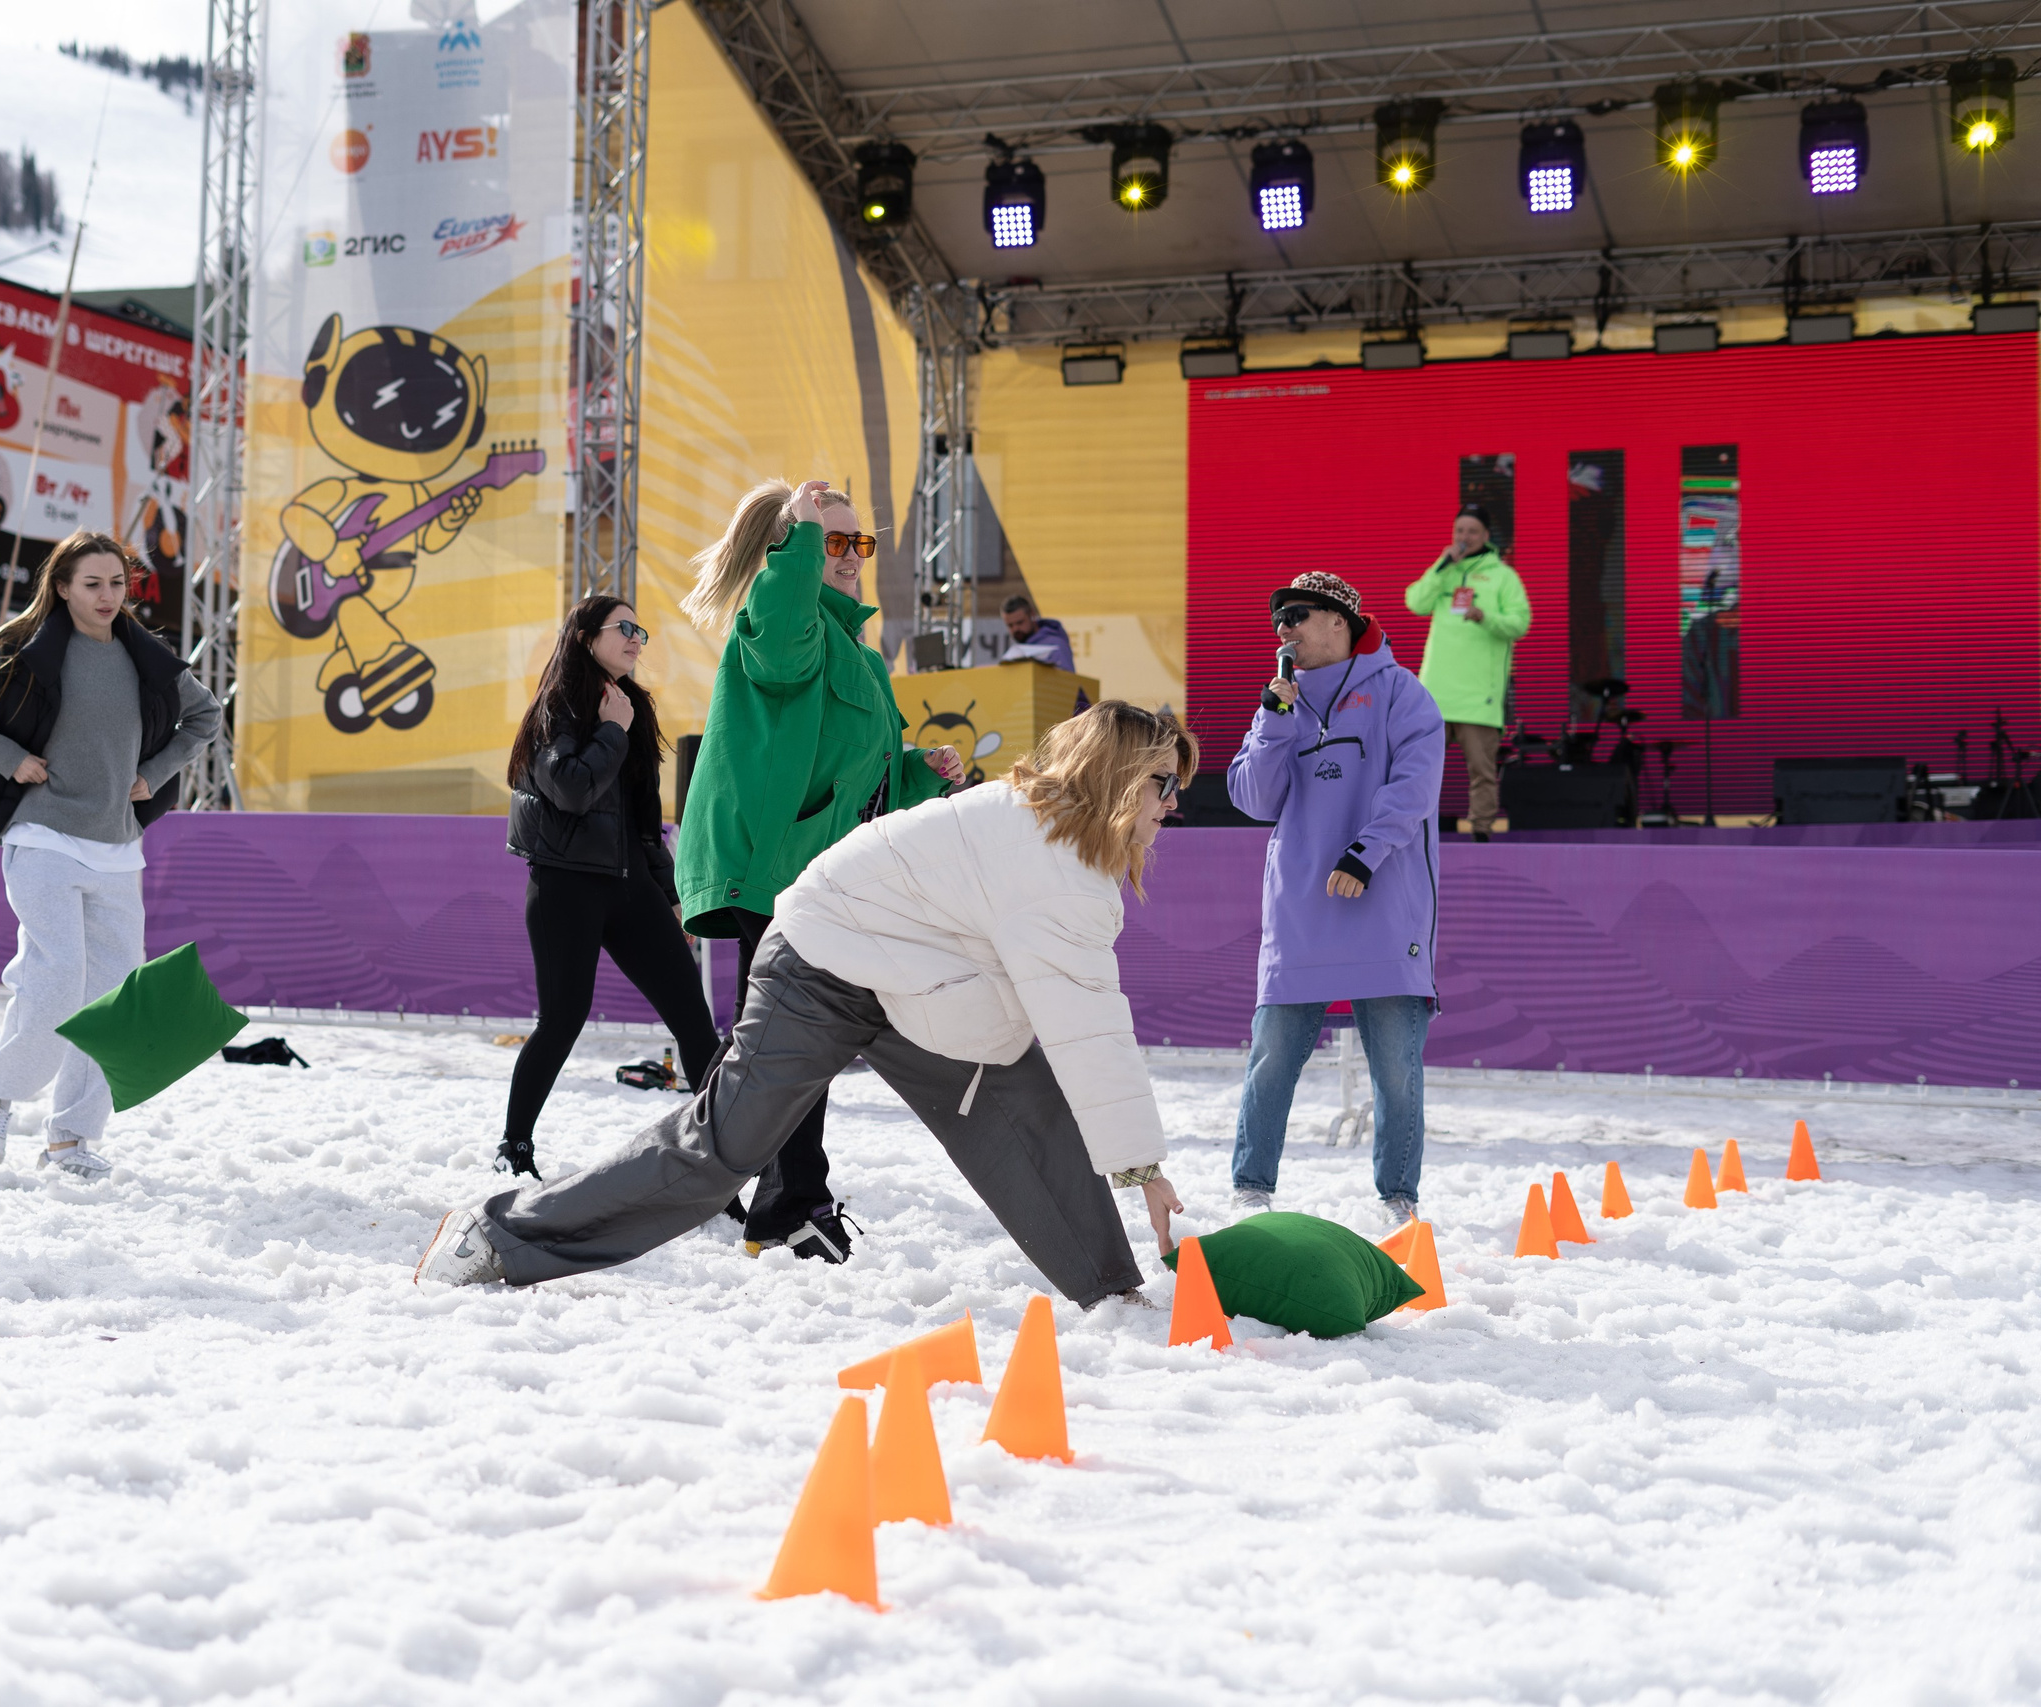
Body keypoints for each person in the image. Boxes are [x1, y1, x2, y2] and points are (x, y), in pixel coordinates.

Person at [415, 700, 1194, 1304]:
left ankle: (1110, 1290)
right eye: (1165, 785)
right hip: (823, 957)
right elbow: (1089, 1028)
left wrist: (1134, 1161)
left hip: (910, 981)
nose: (1172, 807)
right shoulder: (1056, 864)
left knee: (1024, 1097)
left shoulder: (1053, 841)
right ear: (1118, 777)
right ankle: (499, 1230)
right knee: (721, 1151)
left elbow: (1073, 1028)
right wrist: (1143, 1167)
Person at [670, 478, 964, 1262]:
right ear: (790, 550)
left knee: (781, 1046)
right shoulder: (775, 622)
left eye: (857, 543)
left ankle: (735, 1188)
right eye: (830, 541)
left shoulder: (862, 657)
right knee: (787, 1045)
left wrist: (924, 771)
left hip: (824, 876)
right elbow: (781, 651)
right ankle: (785, 1202)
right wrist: (796, 534)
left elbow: (867, 780)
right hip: (777, 869)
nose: (849, 558)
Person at [0, 531, 221, 1179]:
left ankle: (71, 1138)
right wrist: (10, 758)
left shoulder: (150, 656)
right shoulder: (23, 647)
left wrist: (158, 768)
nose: (109, 595)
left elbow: (205, 717)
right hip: (42, 837)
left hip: (117, 848)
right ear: (61, 586)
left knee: (112, 1000)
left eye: (118, 583)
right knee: (55, 983)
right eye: (93, 583)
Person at [1226, 571, 1444, 1227]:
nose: (1283, 629)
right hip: (1301, 913)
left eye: (1296, 614)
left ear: (1341, 622)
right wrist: (1273, 718)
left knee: (1397, 1072)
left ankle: (1398, 1201)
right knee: (1269, 1064)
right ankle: (1250, 1192)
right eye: (1277, 620)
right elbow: (1253, 799)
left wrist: (1366, 851)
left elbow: (1414, 786)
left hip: (1384, 905)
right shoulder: (1280, 703)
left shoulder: (1402, 693)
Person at [497, 595, 721, 1178]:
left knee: (695, 1023)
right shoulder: (558, 708)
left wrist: (671, 894)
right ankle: (514, 1150)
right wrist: (612, 731)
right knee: (562, 1020)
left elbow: (643, 819)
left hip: (630, 888)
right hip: (565, 887)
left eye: (640, 630)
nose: (636, 639)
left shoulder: (631, 708)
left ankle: (720, 1161)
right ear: (584, 638)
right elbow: (572, 789)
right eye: (623, 628)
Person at [1403, 502, 1530, 840]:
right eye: (1459, 530)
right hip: (1436, 691)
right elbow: (1414, 602)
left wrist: (1484, 616)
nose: (1464, 537)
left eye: (1472, 531)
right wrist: (1440, 567)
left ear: (1486, 536)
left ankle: (1481, 832)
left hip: (1479, 693)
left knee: (1482, 770)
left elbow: (1521, 622)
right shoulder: (1444, 570)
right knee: (1420, 766)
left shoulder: (1503, 576)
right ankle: (1415, 828)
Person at [998, 594, 1075, 672]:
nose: (1015, 629)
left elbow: (1067, 681)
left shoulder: (1056, 646)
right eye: (1010, 625)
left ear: (1032, 615)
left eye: (1020, 622)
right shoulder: (1015, 652)